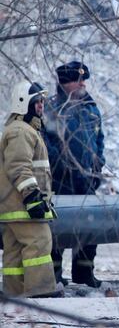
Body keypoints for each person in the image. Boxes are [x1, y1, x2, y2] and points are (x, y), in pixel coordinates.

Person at [44, 61, 105, 288]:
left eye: (84, 79)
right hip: (60, 180)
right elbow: (46, 144)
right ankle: (54, 274)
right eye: (77, 80)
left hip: (87, 180)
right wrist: (59, 167)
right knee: (57, 230)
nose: (82, 83)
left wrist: (98, 165)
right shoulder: (51, 108)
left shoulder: (91, 108)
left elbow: (99, 140)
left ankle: (84, 273)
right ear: (64, 83)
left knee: (89, 228)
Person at [0, 82, 58, 297]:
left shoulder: (19, 130)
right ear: (25, 103)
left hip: (11, 207)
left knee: (14, 254)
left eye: (42, 101)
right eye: (38, 102)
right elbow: (18, 166)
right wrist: (33, 196)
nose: (42, 105)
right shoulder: (22, 131)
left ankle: (15, 295)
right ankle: (40, 292)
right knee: (39, 244)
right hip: (24, 206)